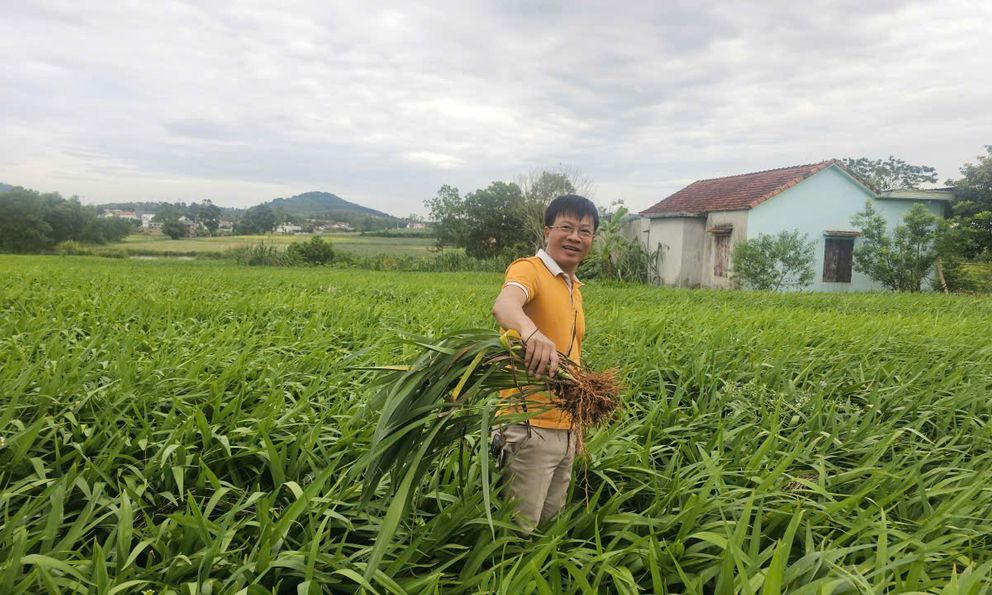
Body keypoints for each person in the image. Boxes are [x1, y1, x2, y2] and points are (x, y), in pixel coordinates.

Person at [490, 194, 599, 532]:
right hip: (528, 426)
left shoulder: (573, 286)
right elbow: (505, 305)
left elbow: (570, 354)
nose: (575, 237)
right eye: (566, 227)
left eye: (585, 231)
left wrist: (575, 425)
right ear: (547, 231)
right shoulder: (530, 269)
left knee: (550, 528)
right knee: (516, 534)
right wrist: (529, 330)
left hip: (565, 428)